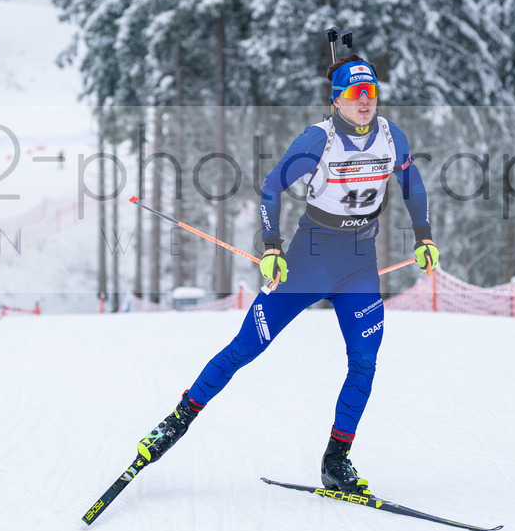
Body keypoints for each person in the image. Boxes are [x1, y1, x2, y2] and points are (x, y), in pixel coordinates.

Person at [135, 55, 440, 494]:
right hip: (309, 258)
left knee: (365, 362)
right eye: (355, 93)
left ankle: (336, 461)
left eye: (371, 91)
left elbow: (413, 184)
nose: (365, 101)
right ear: (336, 98)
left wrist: (423, 235)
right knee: (245, 348)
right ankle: (174, 423)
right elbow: (271, 188)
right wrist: (273, 247)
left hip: (358, 264)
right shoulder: (317, 140)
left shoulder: (393, 137)